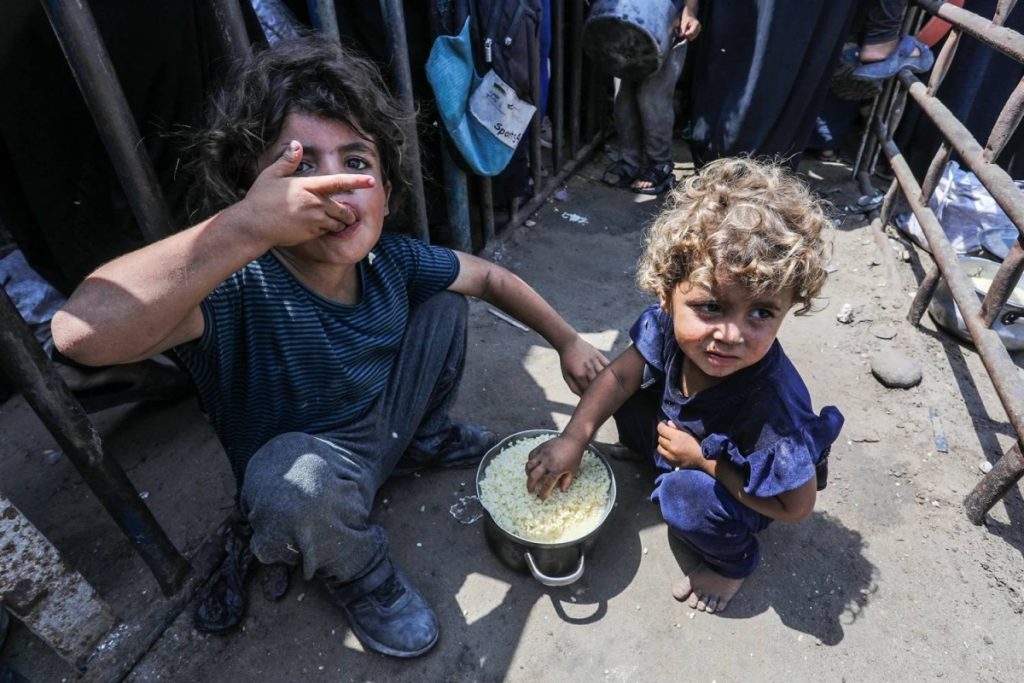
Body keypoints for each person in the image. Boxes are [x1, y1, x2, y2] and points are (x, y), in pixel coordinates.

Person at [50, 35, 608, 658]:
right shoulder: (234, 289)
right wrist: (244, 227)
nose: (332, 187)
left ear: (387, 193)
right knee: (290, 486)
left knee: (446, 301)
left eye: (355, 161)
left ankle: (423, 441)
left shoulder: (393, 260)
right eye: (300, 166)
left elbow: (488, 278)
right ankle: (360, 571)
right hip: (317, 476)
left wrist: (566, 340)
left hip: (385, 428)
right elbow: (78, 335)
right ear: (255, 193)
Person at [526, 157, 844, 614]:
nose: (730, 335)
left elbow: (796, 508)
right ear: (666, 294)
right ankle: (650, 455)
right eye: (711, 307)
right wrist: (573, 439)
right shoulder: (665, 326)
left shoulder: (775, 409)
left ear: (789, 305)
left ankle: (732, 563)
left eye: (761, 313)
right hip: (683, 438)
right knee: (612, 386)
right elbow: (619, 377)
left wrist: (702, 462)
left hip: (742, 486)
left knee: (683, 499)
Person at [601, 0, 701, 195]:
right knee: (624, 98)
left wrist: (690, 11)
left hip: (668, 18)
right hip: (628, 16)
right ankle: (628, 162)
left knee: (652, 98)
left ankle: (659, 165)